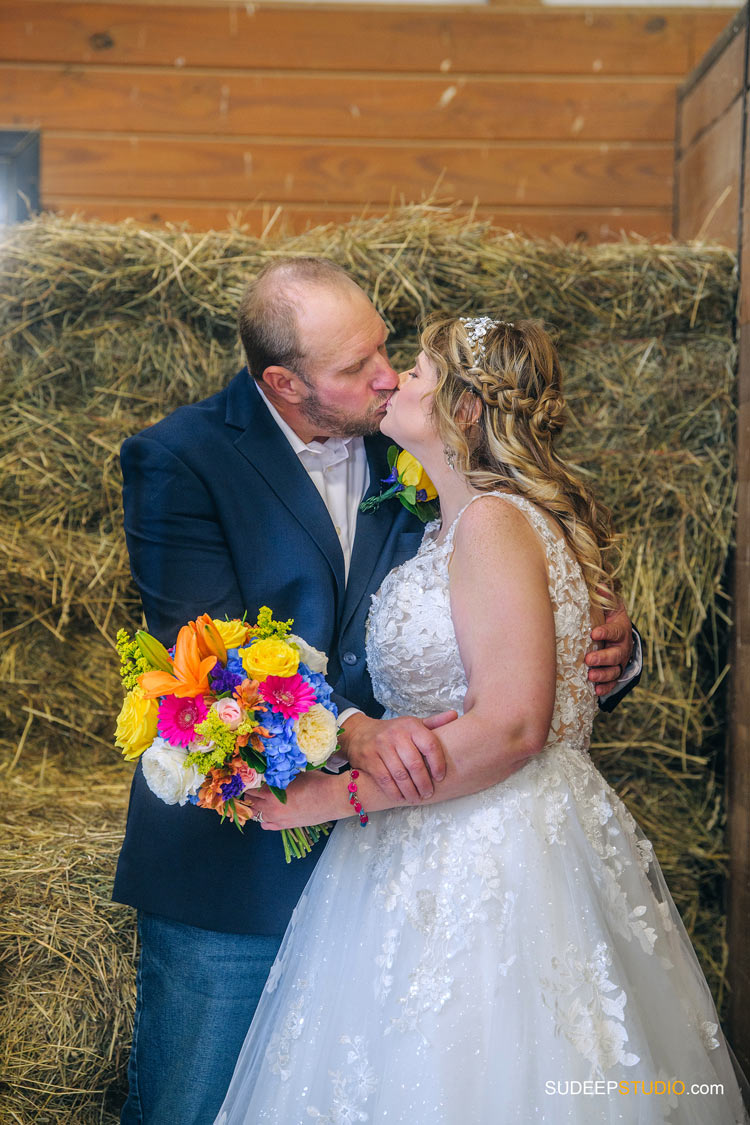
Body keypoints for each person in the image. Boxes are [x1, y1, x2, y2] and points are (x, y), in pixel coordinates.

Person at [114, 264, 638, 1124]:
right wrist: (351, 730)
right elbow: (205, 650)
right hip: (244, 861)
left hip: (414, 855)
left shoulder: (419, 436)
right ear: (285, 382)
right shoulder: (181, 458)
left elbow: (508, 601)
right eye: (357, 367)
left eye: (389, 350)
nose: (387, 376)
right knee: (196, 1108)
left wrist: (612, 645)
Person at [215, 315, 746, 1124]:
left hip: (492, 847)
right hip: (428, 836)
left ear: (464, 409)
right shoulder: (458, 525)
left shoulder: (495, 522)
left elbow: (510, 729)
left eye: (419, 371)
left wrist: (332, 796)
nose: (393, 380)